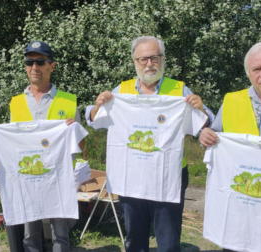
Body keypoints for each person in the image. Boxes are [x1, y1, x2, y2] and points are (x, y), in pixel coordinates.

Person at [85, 36, 215, 252]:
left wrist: (201, 109)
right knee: (135, 237)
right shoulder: (121, 91)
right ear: (134, 62)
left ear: (163, 60)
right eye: (143, 59)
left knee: (169, 237)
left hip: (168, 176)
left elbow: (205, 122)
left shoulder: (179, 90)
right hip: (131, 174)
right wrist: (97, 106)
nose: (149, 64)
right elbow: (94, 122)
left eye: (154, 58)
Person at [0, 41, 85, 252]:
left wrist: (75, 129)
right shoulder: (16, 102)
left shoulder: (68, 102)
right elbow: (12, 144)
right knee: (30, 236)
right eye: (29, 62)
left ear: (52, 66)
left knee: (61, 235)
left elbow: (81, 146)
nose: (34, 67)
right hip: (27, 180)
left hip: (58, 179)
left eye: (40, 61)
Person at [199, 42, 261, 252]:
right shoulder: (231, 101)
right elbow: (216, 140)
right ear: (248, 73)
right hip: (239, 208)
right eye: (257, 69)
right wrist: (205, 136)